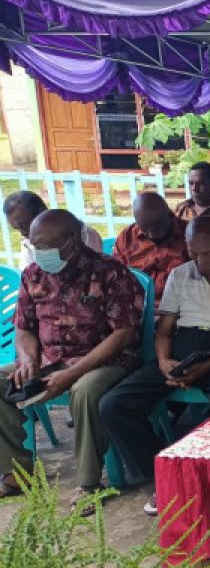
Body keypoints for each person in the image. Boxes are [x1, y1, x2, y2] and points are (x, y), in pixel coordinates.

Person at [100, 217, 210, 515]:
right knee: (114, 404)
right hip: (183, 347)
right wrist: (164, 361)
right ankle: (163, 476)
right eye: (194, 253)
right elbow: (164, 331)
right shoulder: (179, 275)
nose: (200, 260)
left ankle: (202, 477)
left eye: (208, 253)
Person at [0, 210, 142, 507]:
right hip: (51, 359)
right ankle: (17, 472)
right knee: (3, 379)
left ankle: (89, 484)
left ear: (73, 241)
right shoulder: (32, 274)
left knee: (85, 390)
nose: (41, 252)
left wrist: (72, 374)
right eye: (35, 244)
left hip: (106, 360)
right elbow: (24, 327)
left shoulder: (109, 271)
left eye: (48, 245)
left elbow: (124, 335)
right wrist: (28, 361)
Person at [110, 192, 189, 299]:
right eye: (145, 230)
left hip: (179, 304)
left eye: (156, 229)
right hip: (136, 304)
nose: (151, 235)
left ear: (169, 214)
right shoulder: (126, 238)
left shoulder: (189, 235)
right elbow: (115, 276)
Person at [3, 191, 102, 271]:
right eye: (17, 229)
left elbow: (93, 271)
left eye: (24, 225)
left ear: (42, 212)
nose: (23, 233)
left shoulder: (84, 235)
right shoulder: (28, 245)